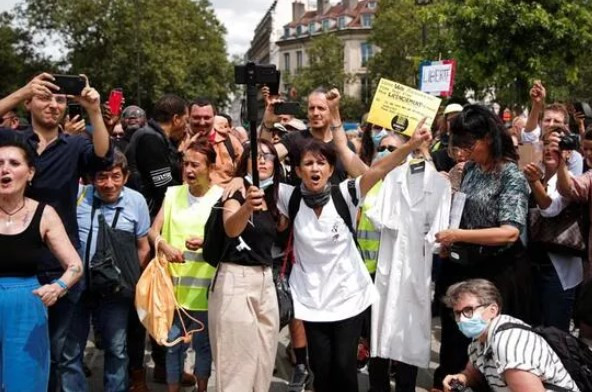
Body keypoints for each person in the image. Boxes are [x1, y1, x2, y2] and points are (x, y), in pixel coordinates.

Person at [274, 103, 431, 392]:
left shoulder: (345, 193)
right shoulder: (288, 197)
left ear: (331, 168)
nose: (315, 168)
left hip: (349, 296)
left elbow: (381, 168)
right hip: (311, 301)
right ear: (298, 171)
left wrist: (410, 145)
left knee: (345, 368)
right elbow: (254, 168)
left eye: (321, 163)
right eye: (308, 164)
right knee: (321, 369)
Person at [0, 72, 112, 391]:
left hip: (64, 265)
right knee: (19, 354)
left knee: (62, 354)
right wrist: (21, 91)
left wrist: (93, 109)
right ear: (30, 103)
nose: (53, 105)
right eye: (45, 97)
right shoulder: (14, 143)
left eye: (60, 100)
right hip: (18, 266)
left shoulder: (75, 144)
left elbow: (103, 157)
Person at [432, 104, 532, 389]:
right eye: (459, 143)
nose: (464, 150)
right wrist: (449, 239)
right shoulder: (471, 170)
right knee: (455, 341)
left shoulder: (511, 175)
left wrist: (459, 234)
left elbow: (510, 232)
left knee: (493, 346)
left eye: (469, 142)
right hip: (462, 267)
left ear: (488, 137)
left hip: (498, 273)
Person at [61, 150, 151, 392]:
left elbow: (143, 247)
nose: (109, 184)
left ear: (126, 176)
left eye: (115, 176)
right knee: (71, 351)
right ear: (90, 178)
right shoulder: (79, 198)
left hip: (115, 290)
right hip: (77, 288)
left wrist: (137, 288)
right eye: (102, 177)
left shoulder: (136, 202)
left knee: (116, 349)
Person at [0, 139, 83, 391]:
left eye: (14, 163)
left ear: (30, 173)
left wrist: (58, 287)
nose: (5, 169)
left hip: (26, 308)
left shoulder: (44, 214)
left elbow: (75, 265)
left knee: (24, 381)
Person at [209, 138, 285, 392]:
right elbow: (231, 228)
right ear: (246, 162)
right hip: (235, 279)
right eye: (257, 155)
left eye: (269, 156)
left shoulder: (275, 196)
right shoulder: (236, 190)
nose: (263, 160)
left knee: (263, 365)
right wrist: (245, 208)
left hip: (265, 282)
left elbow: (291, 145)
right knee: (236, 369)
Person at [150, 138, 223, 392]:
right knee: (172, 344)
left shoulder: (221, 197)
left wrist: (206, 242)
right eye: (186, 164)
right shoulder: (172, 193)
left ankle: (202, 388)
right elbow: (153, 231)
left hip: (206, 289)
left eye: (196, 165)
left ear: (211, 167)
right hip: (173, 288)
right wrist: (163, 245)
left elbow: (227, 239)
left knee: (203, 346)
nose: (189, 170)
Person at [125, 93, 187, 383]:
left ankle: (164, 368)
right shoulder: (150, 138)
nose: (185, 125)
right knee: (146, 300)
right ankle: (138, 374)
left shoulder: (155, 138)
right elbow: (165, 184)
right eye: (184, 119)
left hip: (152, 223)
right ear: (175, 118)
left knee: (160, 298)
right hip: (147, 226)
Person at [442, 279, 579, 392]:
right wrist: (462, 378)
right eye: (458, 313)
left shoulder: (508, 345)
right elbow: (473, 373)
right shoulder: (480, 339)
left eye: (468, 310)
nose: (462, 319)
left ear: (492, 310)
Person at [523, 127, 583, 332]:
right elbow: (526, 137)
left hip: (558, 271)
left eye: (557, 145)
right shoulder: (531, 169)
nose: (550, 149)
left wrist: (534, 183)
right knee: (532, 332)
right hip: (530, 265)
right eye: (546, 144)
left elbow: (550, 209)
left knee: (554, 335)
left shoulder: (570, 180)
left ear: (567, 152)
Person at [523, 81, 583, 175]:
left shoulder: (574, 156)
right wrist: (537, 104)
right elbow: (528, 136)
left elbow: (570, 189)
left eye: (556, 121)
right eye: (547, 120)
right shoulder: (534, 147)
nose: (551, 124)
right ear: (540, 123)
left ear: (565, 126)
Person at [187, 98, 243, 185]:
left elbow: (246, 170)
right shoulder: (179, 142)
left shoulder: (230, 142)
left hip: (225, 196)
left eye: (207, 118)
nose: (202, 122)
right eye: (196, 118)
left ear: (214, 117)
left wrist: (239, 180)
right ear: (188, 117)